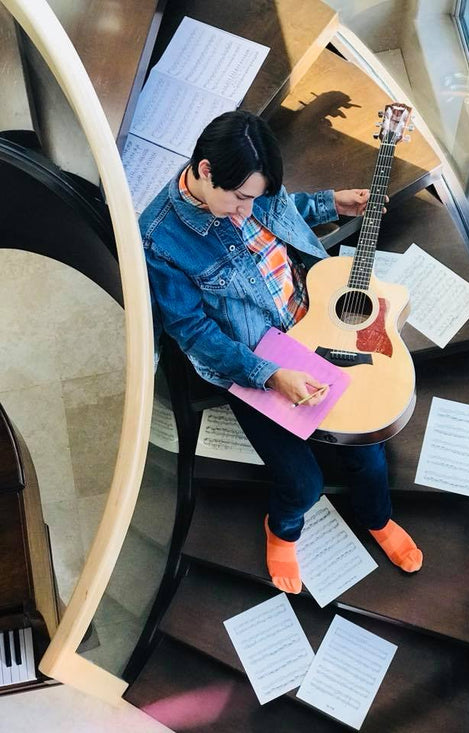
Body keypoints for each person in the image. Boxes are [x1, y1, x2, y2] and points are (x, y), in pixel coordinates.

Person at [140, 110, 422, 594]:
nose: (248, 210)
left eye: (256, 197)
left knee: (369, 453)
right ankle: (282, 528)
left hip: (316, 322)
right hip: (254, 360)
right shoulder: (159, 239)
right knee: (302, 483)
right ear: (206, 170)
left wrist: (329, 202)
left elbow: (281, 208)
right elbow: (192, 332)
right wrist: (269, 375)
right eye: (241, 199)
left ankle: (377, 518)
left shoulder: (251, 192)